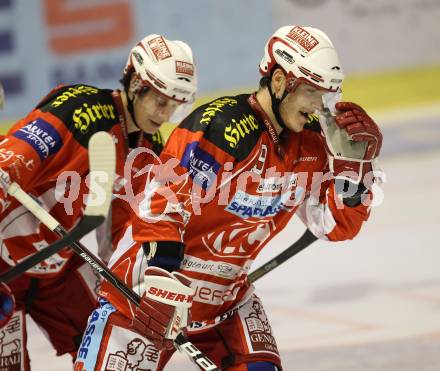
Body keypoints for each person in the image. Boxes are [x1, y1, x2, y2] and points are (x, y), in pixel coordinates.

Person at [74, 25, 382, 370]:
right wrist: (161, 278)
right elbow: (161, 202)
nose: (317, 105)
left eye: (325, 94)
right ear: (279, 81)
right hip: (144, 294)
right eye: (311, 91)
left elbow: (335, 226)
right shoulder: (224, 126)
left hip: (225, 304)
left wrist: (353, 169)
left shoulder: (311, 145)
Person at [0, 34, 197, 370]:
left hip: (58, 266)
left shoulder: (146, 151)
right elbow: (14, 159)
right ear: (137, 84)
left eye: (174, 105)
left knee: (111, 341)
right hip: (5, 263)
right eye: (161, 102)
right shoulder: (80, 109)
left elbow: (123, 232)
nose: (166, 115)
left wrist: (142, 285)